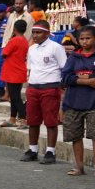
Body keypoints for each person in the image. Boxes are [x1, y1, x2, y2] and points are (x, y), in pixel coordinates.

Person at [59, 25, 95, 177]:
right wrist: (87, 81)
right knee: (75, 136)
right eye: (82, 38)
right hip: (73, 102)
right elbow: (65, 78)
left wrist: (77, 77)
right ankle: (79, 166)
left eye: (88, 38)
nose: (85, 41)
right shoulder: (73, 56)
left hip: (94, 102)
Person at [21, 20, 67, 164]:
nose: (35, 35)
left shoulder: (56, 47)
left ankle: (50, 151)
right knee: (32, 121)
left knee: (50, 121)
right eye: (34, 32)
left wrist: (62, 88)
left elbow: (64, 67)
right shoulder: (32, 49)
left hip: (50, 86)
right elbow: (30, 68)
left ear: (47, 33)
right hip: (33, 87)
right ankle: (33, 150)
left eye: (39, 32)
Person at [0, 19, 29, 129]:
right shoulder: (24, 40)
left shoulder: (14, 40)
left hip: (12, 71)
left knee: (15, 97)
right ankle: (12, 119)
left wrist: (10, 39)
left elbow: (4, 53)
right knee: (14, 96)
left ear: (14, 29)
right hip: (19, 70)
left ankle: (23, 119)